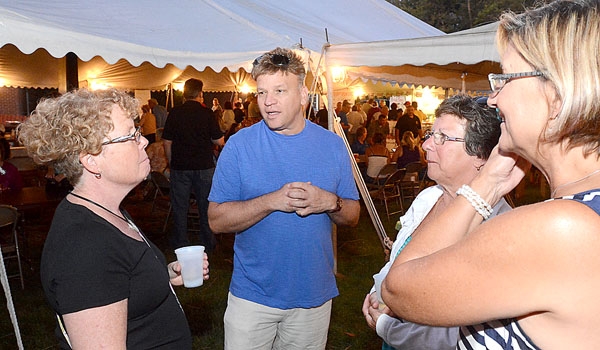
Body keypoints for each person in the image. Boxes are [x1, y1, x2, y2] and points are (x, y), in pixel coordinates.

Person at [383, 1, 600, 348]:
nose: (493, 99)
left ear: (557, 96)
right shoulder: (581, 210)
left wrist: (486, 184)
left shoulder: (563, 228)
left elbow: (399, 289)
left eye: (504, 79)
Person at [18, 88, 209, 349]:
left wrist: (158, 278)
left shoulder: (107, 211)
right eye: (131, 136)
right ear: (92, 162)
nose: (143, 142)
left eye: (138, 132)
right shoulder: (85, 245)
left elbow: (115, 280)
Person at [208, 47, 360, 350]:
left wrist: (330, 202)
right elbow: (216, 220)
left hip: (313, 299)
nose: (268, 102)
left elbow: (353, 215)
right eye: (261, 92)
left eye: (279, 90)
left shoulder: (332, 146)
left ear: (303, 95)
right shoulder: (240, 146)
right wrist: (270, 201)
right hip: (252, 298)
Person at [363, 94, 511, 350]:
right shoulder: (428, 197)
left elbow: (460, 334)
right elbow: (399, 263)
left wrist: (387, 327)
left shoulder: (497, 229)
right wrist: (379, 292)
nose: (427, 145)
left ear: (480, 156)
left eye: (442, 138)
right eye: (431, 134)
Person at [162, 78, 225, 251]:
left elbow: (167, 142)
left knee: (180, 206)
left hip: (180, 165)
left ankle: (181, 242)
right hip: (204, 166)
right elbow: (219, 140)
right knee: (206, 205)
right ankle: (208, 242)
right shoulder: (207, 114)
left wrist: (171, 161)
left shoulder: (175, 113)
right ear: (200, 93)